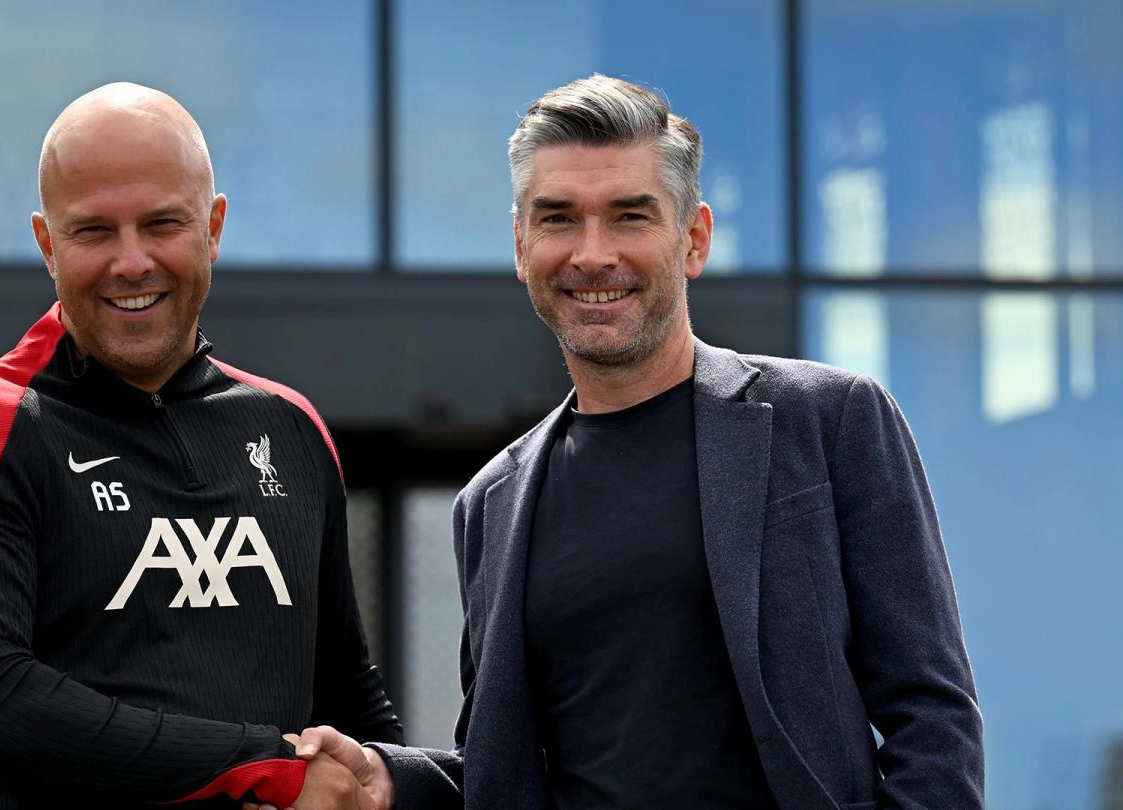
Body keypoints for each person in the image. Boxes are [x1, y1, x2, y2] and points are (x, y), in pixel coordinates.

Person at [288, 74, 984, 809]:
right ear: (521, 246)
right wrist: (389, 779)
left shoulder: (832, 421)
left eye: (629, 216)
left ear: (694, 239)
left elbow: (932, 721)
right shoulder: (491, 502)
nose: (592, 254)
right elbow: (507, 770)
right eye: (558, 219)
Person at [0, 82, 401, 809]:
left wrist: (392, 783)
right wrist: (260, 764)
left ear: (213, 227)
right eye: (94, 231)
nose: (132, 263)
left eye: (162, 223)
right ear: (46, 244)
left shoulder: (291, 429)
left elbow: (347, 694)